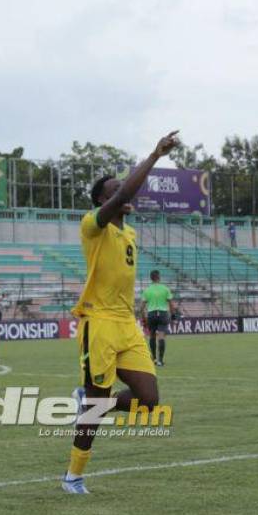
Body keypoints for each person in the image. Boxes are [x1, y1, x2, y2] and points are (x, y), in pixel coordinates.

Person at [63, 130, 179, 495]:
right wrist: (155, 155)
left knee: (149, 399)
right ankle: (73, 476)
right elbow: (127, 192)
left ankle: (93, 401)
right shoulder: (91, 225)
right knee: (95, 408)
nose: (125, 193)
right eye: (114, 190)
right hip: (98, 323)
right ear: (102, 200)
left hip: (126, 324)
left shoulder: (129, 234)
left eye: (122, 189)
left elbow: (127, 194)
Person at [140, 269, 175, 366]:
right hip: (163, 313)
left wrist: (143, 318)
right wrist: (173, 316)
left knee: (151, 335)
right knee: (161, 336)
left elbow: (141, 307)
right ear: (159, 277)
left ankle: (154, 359)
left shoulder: (147, 290)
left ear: (151, 278)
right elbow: (172, 304)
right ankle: (160, 360)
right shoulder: (165, 289)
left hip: (151, 314)